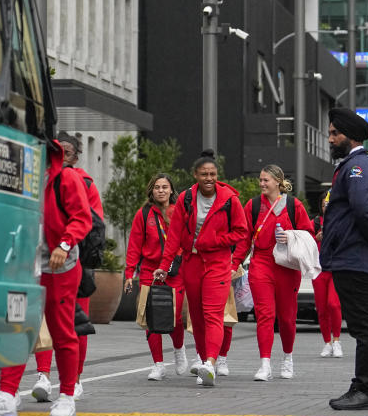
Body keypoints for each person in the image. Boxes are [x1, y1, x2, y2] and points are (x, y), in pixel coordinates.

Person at [0, 139, 91, 416]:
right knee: (16, 329)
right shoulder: (13, 182)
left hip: (59, 267)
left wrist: (64, 245)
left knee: (62, 331)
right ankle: (6, 396)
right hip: (22, 269)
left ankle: (66, 396)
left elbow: (82, 217)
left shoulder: (65, 178)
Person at [153, 149, 248, 387]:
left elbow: (241, 232)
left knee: (213, 314)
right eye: (204, 174)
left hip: (217, 263)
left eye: (213, 174)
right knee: (196, 316)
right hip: (191, 263)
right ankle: (205, 359)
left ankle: (210, 364)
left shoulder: (230, 200)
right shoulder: (186, 199)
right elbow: (174, 236)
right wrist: (163, 266)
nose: (209, 178)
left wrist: (214, 241)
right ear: (195, 175)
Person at [320, 108, 368, 411]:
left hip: (355, 258)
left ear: (351, 136)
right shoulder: (354, 166)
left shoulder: (357, 167)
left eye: (335, 133)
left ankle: (367, 391)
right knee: (363, 327)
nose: (331, 138)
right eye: (330, 133)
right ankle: (362, 387)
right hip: (351, 257)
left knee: (364, 328)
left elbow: (364, 210)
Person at [32, 132, 103, 402]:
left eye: (69, 152)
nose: (63, 156)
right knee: (40, 324)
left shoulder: (80, 181)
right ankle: (42, 374)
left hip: (73, 261)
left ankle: (74, 379)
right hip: (42, 261)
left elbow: (91, 222)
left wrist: (65, 245)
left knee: (74, 324)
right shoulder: (37, 179)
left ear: (74, 156)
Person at [231, 164, 314, 381]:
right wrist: (234, 263)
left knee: (286, 318)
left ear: (278, 181)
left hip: (287, 267)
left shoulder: (294, 205)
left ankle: (288, 359)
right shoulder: (253, 205)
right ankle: (265, 364)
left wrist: (291, 236)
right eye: (260, 180)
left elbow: (309, 234)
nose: (261, 184)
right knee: (264, 315)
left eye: (265, 180)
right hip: (261, 264)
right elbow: (244, 239)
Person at [124, 173, 189, 380]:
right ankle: (158, 364)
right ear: (151, 191)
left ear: (171, 190)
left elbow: (186, 240)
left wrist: (174, 261)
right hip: (149, 273)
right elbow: (134, 246)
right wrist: (128, 273)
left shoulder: (179, 211)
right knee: (150, 318)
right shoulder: (143, 214)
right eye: (157, 187)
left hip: (174, 271)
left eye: (165, 187)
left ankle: (179, 350)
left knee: (174, 315)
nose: (161, 190)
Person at [311, 195, 343, 358]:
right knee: (322, 308)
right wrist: (315, 238)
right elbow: (305, 242)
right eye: (324, 205)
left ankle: (336, 340)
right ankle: (327, 343)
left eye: (330, 204)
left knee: (334, 305)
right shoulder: (316, 223)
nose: (327, 207)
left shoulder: (342, 221)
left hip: (336, 269)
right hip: (318, 270)